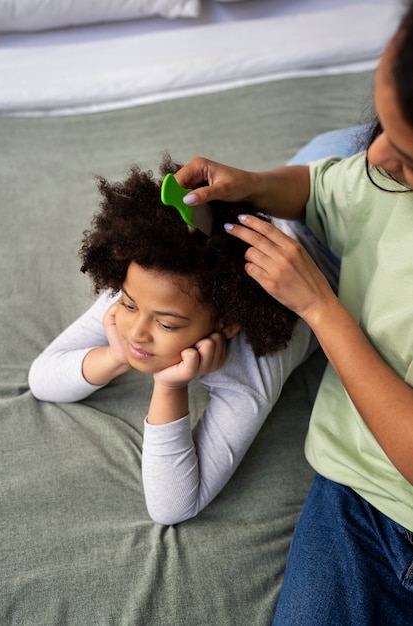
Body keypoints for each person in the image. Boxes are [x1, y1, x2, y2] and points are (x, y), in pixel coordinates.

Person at [174, 3, 413, 623]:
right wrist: (252, 183)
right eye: (382, 124)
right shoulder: (382, 171)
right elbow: (329, 187)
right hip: (358, 498)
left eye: (411, 159)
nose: (381, 158)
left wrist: (320, 309)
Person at [28, 154, 338, 526]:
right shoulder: (148, 284)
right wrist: (117, 354)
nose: (137, 331)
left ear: (227, 324)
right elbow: (41, 379)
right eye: (127, 304)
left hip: (338, 228)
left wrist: (169, 386)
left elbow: (172, 506)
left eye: (168, 325)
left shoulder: (253, 367)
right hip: (307, 173)